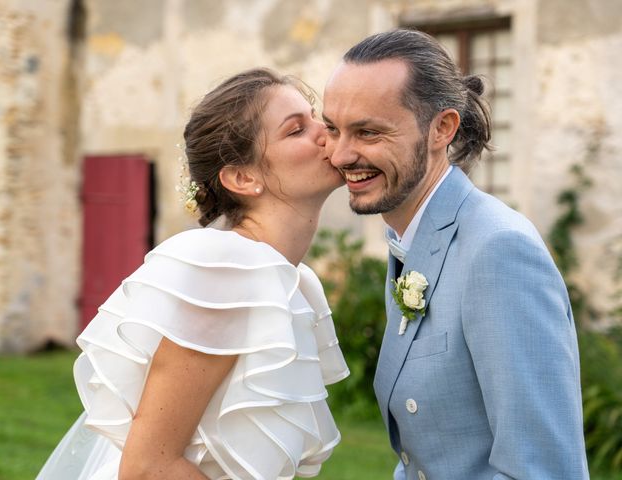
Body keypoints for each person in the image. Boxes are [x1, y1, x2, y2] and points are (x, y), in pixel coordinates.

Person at [37, 68, 349, 480]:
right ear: (243, 177)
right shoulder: (227, 270)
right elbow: (148, 467)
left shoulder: (295, 282)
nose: (325, 131)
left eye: (313, 116)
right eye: (296, 130)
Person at [322, 29, 589, 479]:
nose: (341, 154)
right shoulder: (415, 237)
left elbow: (544, 468)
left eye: (367, 132)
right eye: (332, 129)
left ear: (441, 128)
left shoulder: (499, 251)